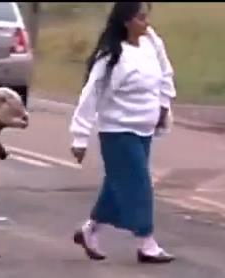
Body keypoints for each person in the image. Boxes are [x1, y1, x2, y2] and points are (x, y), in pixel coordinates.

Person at [69, 2, 176, 264]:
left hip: (143, 130)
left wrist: (163, 107)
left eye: (147, 17)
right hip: (117, 131)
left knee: (117, 186)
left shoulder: (152, 43)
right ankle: (146, 242)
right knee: (139, 184)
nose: (146, 23)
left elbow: (165, 74)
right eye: (141, 18)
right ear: (127, 21)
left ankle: (89, 230)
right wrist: (80, 136)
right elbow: (90, 94)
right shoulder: (111, 56)